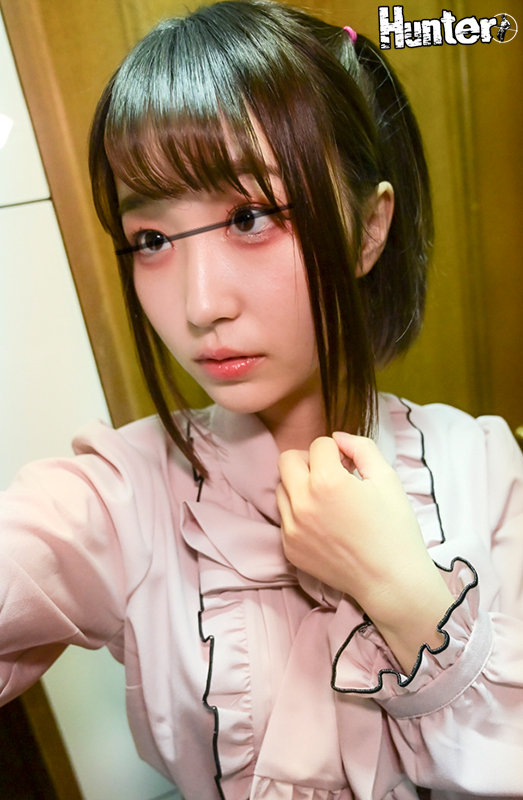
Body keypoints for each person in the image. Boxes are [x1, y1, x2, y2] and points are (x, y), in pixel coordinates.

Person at [1, 1, 522, 797]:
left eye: (248, 217)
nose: (200, 303)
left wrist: (403, 595)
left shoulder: (480, 465)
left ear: (368, 227)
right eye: (152, 240)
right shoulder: (120, 496)